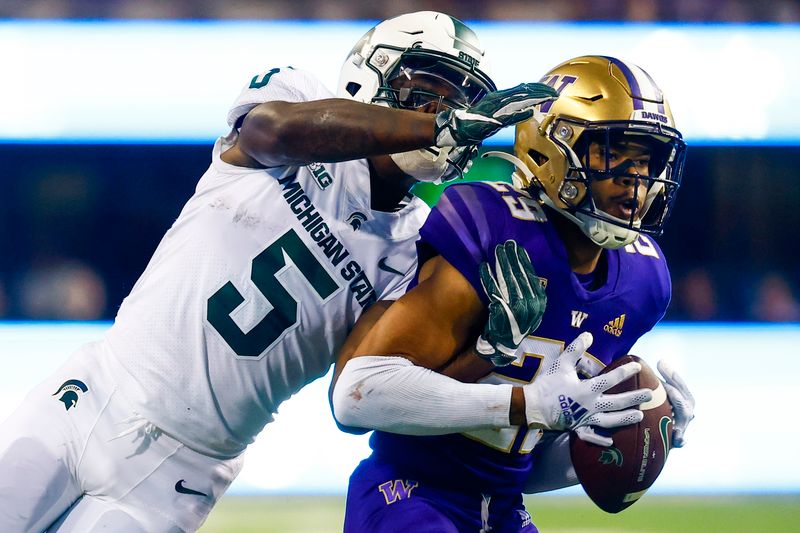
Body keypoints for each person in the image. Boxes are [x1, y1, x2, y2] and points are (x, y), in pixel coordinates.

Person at [0, 12, 559, 532]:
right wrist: (429, 126)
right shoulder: (297, 98)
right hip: (92, 397)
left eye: (458, 100)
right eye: (426, 89)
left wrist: (487, 353)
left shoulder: (419, 249)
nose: (443, 111)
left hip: (185, 469)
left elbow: (361, 394)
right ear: (371, 75)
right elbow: (269, 133)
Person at [332, 55, 696, 532]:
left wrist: (635, 433)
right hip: (408, 493)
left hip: (503, 507)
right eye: (615, 152)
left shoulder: (643, 283)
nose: (636, 177)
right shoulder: (499, 232)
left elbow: (520, 458)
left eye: (647, 158)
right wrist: (526, 404)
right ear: (554, 150)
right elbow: (357, 397)